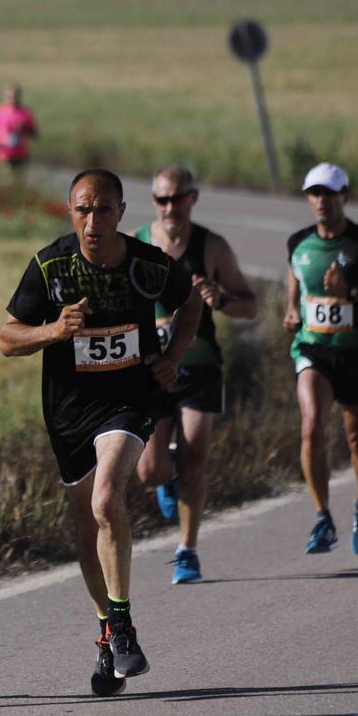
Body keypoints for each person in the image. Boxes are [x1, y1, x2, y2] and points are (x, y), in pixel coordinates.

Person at [0, 168, 201, 697]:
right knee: (87, 536)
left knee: (108, 499)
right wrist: (53, 330)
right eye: (83, 210)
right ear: (70, 212)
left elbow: (191, 299)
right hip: (68, 411)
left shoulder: (146, 264)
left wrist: (174, 355)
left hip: (129, 403)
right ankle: (107, 634)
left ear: (121, 212)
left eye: (104, 209)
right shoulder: (50, 266)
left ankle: (124, 623)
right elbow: (6, 337)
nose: (93, 221)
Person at [133, 166, 257, 584]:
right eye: (163, 200)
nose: (171, 207)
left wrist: (219, 299)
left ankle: (187, 551)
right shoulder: (136, 244)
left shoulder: (211, 246)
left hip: (200, 365)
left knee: (195, 459)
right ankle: (164, 472)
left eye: (179, 198)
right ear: (154, 202)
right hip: (151, 369)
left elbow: (249, 306)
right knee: (149, 472)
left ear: (193, 198)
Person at [283, 163, 358, 556]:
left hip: (357, 354)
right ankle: (322, 519)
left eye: (329, 194)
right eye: (314, 194)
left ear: (344, 196)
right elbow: (295, 275)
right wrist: (291, 310)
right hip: (313, 350)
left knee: (357, 440)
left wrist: (350, 292)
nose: (321, 202)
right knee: (311, 426)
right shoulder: (298, 242)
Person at [0, 83, 39, 171]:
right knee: (6, 180)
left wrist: (23, 131)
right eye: (9, 96)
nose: (12, 98)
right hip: (3, 154)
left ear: (19, 96)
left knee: (19, 180)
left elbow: (34, 132)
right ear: (4, 96)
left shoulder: (26, 113)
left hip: (21, 154)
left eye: (15, 96)